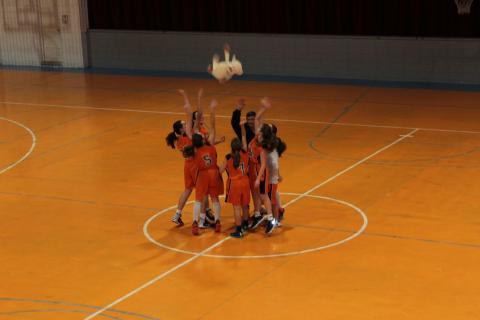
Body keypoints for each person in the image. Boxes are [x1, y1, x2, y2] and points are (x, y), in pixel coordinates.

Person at [190, 99, 224, 235]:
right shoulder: (210, 145)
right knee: (215, 199)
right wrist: (213, 110)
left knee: (198, 199)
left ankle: (195, 223)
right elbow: (213, 126)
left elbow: (195, 128)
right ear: (203, 139)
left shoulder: (194, 150)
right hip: (213, 173)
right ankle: (218, 222)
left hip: (203, 174)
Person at [219, 137, 250, 238]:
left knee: (236, 207)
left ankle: (238, 230)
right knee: (245, 205)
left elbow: (220, 171)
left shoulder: (228, 157)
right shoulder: (245, 154)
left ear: (231, 147)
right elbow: (245, 143)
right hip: (245, 182)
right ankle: (246, 223)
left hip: (234, 184)